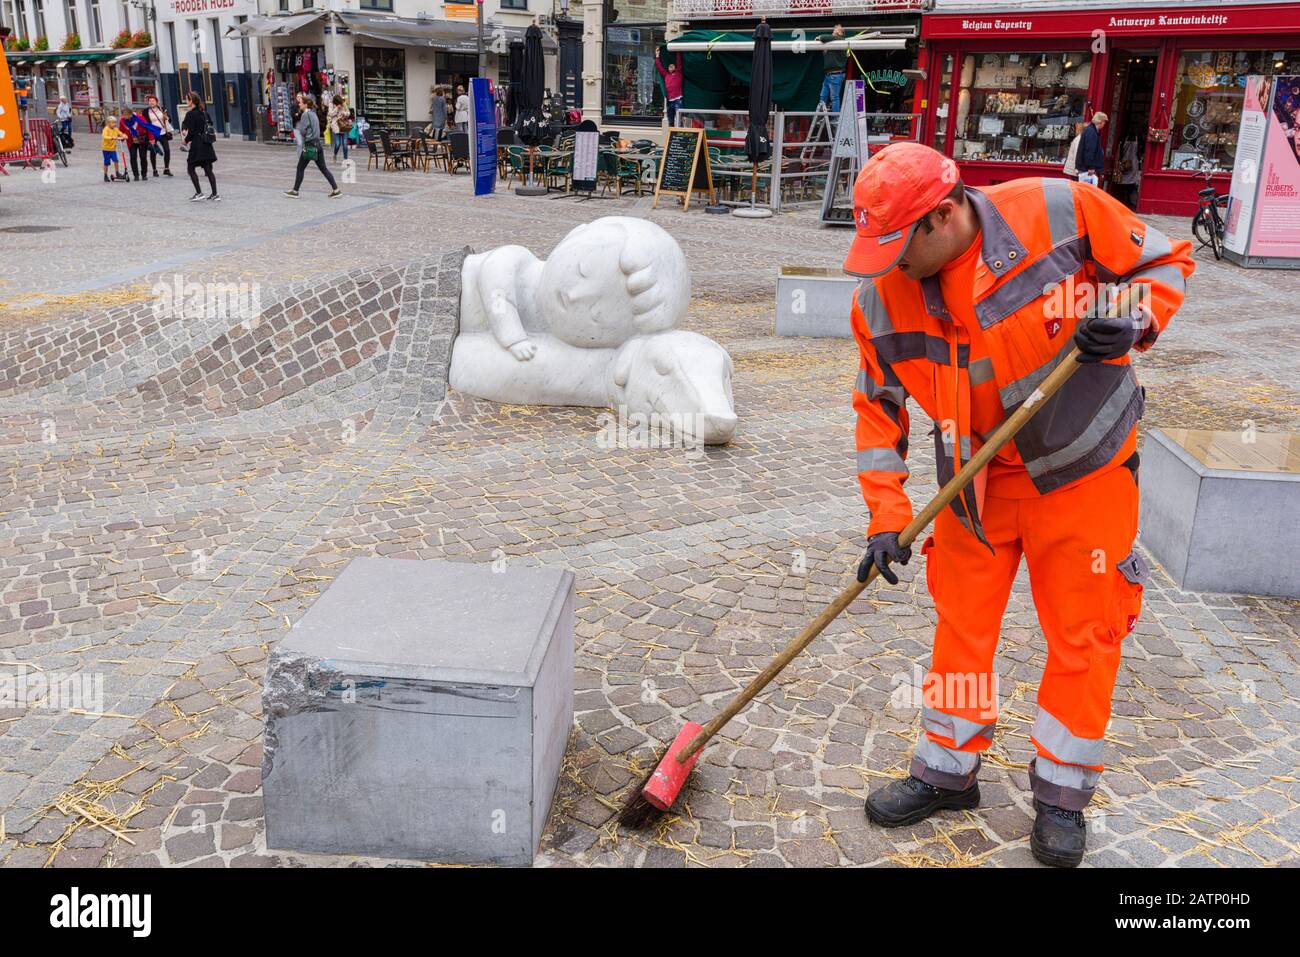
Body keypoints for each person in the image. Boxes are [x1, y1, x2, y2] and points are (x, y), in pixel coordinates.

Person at [844, 143, 1194, 867]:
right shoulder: (879, 299)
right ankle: (948, 769)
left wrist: (1129, 319)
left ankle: (1062, 796)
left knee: (1085, 631)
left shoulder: (1058, 209)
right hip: (973, 487)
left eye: (895, 247)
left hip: (1083, 473)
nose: (885, 266)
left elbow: (1163, 262)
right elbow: (877, 414)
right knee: (961, 628)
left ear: (942, 215)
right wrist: (884, 517)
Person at [285, 93, 341, 198]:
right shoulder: (314, 113)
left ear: (306, 104)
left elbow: (302, 131)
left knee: (300, 168)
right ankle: (336, 189)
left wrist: (304, 132)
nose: (299, 105)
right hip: (318, 143)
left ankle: (295, 191)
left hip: (310, 145)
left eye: (300, 103)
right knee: (324, 169)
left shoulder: (305, 115)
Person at [181, 91, 219, 202]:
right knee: (208, 170)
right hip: (207, 144)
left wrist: (185, 141)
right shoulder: (204, 112)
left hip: (197, 145)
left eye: (187, 99)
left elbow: (191, 131)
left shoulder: (191, 114)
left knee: (190, 168)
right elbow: (210, 123)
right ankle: (215, 194)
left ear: (191, 100)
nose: (186, 101)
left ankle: (199, 193)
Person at [815, 24, 848, 110]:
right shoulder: (834, 42)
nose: (834, 31)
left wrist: (820, 37)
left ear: (841, 33)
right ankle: (821, 116)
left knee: (834, 98)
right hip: (829, 74)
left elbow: (824, 37)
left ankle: (835, 118)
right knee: (823, 96)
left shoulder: (840, 40)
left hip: (835, 74)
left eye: (836, 30)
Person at [145, 93, 175, 177]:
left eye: (153, 101)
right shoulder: (146, 111)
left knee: (167, 150)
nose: (151, 102)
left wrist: (167, 118)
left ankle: (166, 168)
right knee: (153, 151)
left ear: (157, 102)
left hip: (162, 132)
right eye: (150, 101)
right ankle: (154, 170)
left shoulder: (162, 109)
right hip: (153, 133)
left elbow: (169, 119)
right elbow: (145, 123)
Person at [118, 111, 150, 181]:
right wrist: (121, 136)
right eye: (124, 115)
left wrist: (151, 138)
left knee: (143, 157)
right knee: (133, 157)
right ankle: (136, 175)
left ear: (131, 115)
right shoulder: (122, 120)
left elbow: (146, 127)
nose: (125, 117)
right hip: (131, 141)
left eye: (126, 115)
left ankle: (144, 174)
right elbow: (121, 130)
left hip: (142, 140)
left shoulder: (139, 118)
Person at [1077, 110, 1107, 184]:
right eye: (1104, 122)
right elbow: (1089, 150)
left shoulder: (1092, 130)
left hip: (1086, 167)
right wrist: (1091, 167)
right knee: (1086, 191)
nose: (1104, 124)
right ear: (1100, 121)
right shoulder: (1092, 132)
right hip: (1086, 169)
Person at [655, 51, 684, 126]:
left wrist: (678, 51)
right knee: (670, 119)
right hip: (670, 101)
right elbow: (659, 67)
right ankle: (671, 133)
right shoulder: (666, 75)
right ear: (668, 68)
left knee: (679, 119)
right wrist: (657, 56)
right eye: (669, 66)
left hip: (678, 99)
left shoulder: (678, 73)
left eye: (672, 66)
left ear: (675, 67)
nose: (670, 66)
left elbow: (679, 62)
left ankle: (680, 132)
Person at [100, 115, 128, 183]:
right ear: (108, 123)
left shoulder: (115, 129)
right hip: (106, 149)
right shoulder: (106, 129)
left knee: (116, 160)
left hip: (113, 149)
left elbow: (120, 133)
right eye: (113, 123)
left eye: (115, 123)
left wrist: (124, 136)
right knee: (106, 162)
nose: (114, 124)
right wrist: (112, 138)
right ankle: (105, 175)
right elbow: (104, 136)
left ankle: (117, 172)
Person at [328, 93, 352, 162]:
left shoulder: (343, 104)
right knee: (338, 144)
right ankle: (335, 154)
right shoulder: (331, 105)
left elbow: (348, 113)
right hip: (336, 126)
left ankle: (345, 159)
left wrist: (344, 113)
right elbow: (330, 114)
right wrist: (336, 108)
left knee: (345, 144)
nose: (340, 104)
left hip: (344, 126)